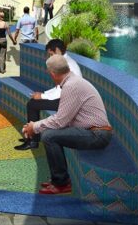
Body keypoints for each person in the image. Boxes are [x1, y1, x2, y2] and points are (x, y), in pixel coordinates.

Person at [23, 54, 112, 195]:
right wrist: (35, 126)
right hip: (94, 132)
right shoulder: (73, 82)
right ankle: (58, 180)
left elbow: (59, 121)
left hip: (97, 135)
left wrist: (34, 126)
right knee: (49, 133)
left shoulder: (71, 86)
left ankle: (61, 183)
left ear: (52, 73)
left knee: (49, 136)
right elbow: (63, 119)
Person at [14, 39, 83, 151]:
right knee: (33, 103)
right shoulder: (66, 61)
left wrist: (41, 96)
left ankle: (33, 140)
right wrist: (43, 94)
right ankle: (33, 137)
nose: (50, 58)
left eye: (51, 54)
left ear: (57, 50)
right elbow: (59, 87)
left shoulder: (67, 65)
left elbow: (61, 92)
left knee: (32, 104)